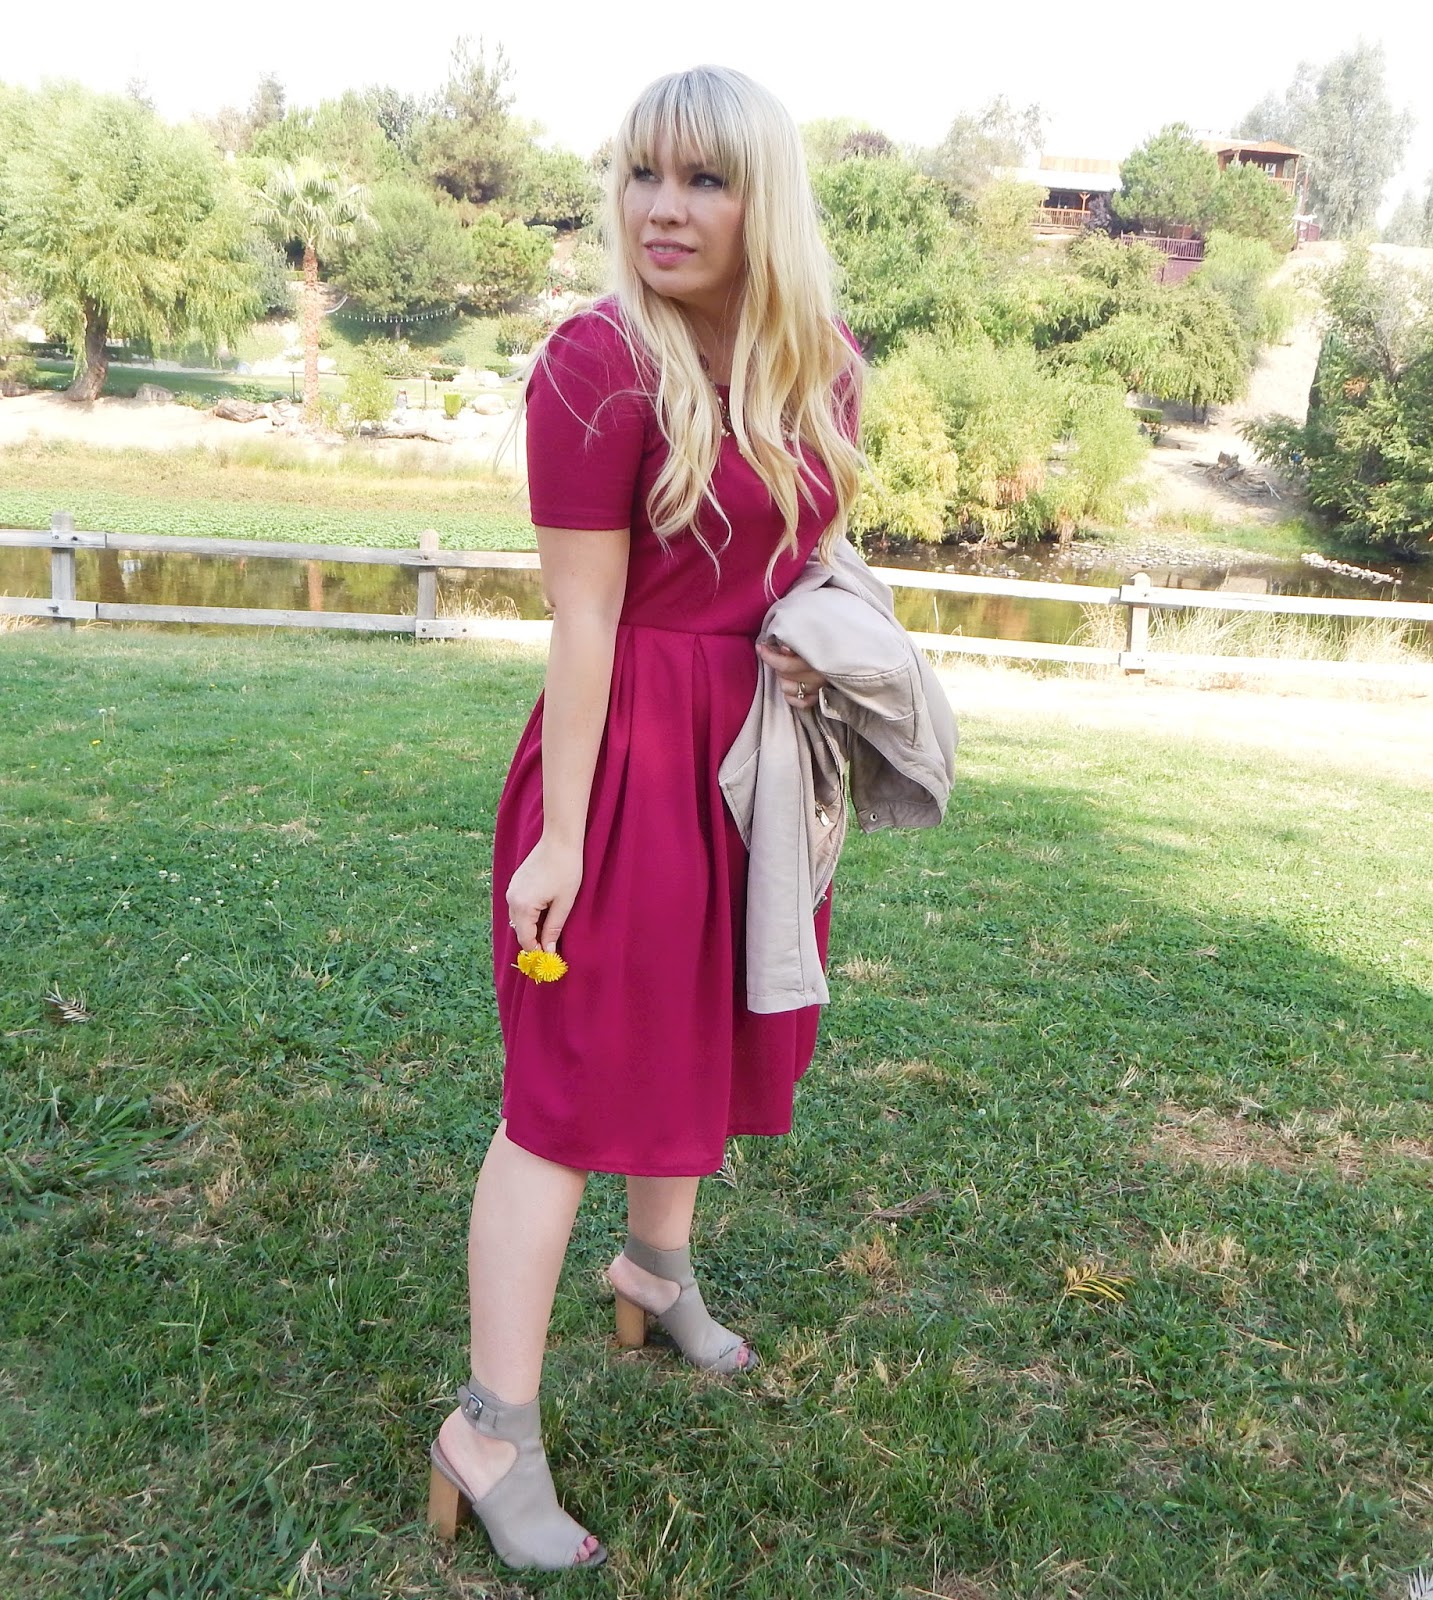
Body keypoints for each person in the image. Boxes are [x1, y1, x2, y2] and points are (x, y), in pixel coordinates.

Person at [425, 64, 878, 1571]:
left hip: (754, 759)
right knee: (564, 1095)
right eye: (641, 174)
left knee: (710, 1030)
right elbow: (582, 623)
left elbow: (803, 557)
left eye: (705, 179)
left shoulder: (822, 366)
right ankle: (490, 1429)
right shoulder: (596, 364)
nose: (662, 209)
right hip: (620, 757)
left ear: (766, 200)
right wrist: (562, 837)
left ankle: (655, 1271)